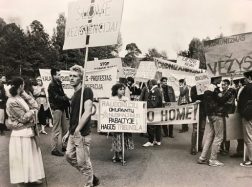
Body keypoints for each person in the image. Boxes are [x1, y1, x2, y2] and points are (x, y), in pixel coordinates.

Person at [62, 65, 99, 187]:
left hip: (82, 134)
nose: (71, 78)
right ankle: (91, 176)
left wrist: (77, 130)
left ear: (81, 78)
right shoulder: (74, 95)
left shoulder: (86, 91)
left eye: (75, 76)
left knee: (83, 162)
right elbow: (73, 117)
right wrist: (68, 132)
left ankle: (89, 184)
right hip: (73, 133)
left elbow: (87, 111)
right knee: (69, 156)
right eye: (70, 76)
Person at [6, 77, 45, 186]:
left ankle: (32, 177)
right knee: (20, 158)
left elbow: (35, 105)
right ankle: (20, 180)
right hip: (19, 133)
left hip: (28, 131)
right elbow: (23, 118)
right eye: (23, 85)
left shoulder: (20, 97)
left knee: (31, 155)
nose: (24, 86)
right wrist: (33, 112)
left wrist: (26, 95)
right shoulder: (11, 101)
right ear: (20, 86)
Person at [197, 76, 230, 167]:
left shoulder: (207, 89)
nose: (221, 79)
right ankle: (213, 159)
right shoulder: (215, 90)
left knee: (210, 136)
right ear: (215, 79)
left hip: (210, 115)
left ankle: (202, 157)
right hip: (217, 114)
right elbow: (221, 100)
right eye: (219, 78)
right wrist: (229, 93)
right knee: (219, 137)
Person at [110, 83, 134, 163]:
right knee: (116, 138)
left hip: (124, 122)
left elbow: (131, 109)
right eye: (120, 89)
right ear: (116, 90)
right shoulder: (112, 99)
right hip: (116, 122)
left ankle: (120, 155)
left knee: (123, 138)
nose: (122, 91)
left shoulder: (126, 98)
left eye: (123, 89)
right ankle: (115, 154)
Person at [48, 68, 70, 156]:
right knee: (56, 129)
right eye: (58, 75)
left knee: (65, 128)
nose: (60, 76)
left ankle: (64, 146)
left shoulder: (58, 83)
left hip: (61, 108)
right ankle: (54, 149)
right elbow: (57, 97)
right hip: (57, 108)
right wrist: (66, 98)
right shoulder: (52, 85)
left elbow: (62, 95)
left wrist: (65, 97)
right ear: (54, 75)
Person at [237, 70, 252, 167]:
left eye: (245, 78)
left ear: (249, 78)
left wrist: (242, 112)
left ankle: (251, 160)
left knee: (248, 138)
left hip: (248, 115)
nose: (244, 80)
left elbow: (241, 101)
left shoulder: (247, 88)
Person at [143, 79, 163, 147]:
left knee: (150, 126)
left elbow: (153, 103)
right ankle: (158, 140)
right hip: (158, 111)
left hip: (152, 111)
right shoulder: (158, 90)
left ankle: (150, 141)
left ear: (151, 84)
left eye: (149, 84)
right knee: (157, 126)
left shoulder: (154, 91)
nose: (148, 86)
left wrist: (147, 108)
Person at [219, 79, 236, 155]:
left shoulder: (231, 93)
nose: (223, 86)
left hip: (228, 114)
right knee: (221, 131)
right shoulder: (221, 93)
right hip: (222, 114)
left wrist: (221, 103)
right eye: (222, 85)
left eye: (224, 84)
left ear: (228, 85)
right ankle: (221, 148)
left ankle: (226, 149)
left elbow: (230, 103)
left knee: (227, 132)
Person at [230, 78, 246, 158]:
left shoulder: (241, 90)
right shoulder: (240, 89)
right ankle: (241, 150)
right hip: (242, 112)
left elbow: (238, 101)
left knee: (240, 133)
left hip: (240, 112)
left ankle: (241, 151)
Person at [190, 85, 206, 155]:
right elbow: (193, 98)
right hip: (196, 112)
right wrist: (197, 100)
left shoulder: (206, 88)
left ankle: (199, 145)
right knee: (195, 129)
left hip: (203, 111)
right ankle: (193, 147)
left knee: (202, 129)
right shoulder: (193, 88)